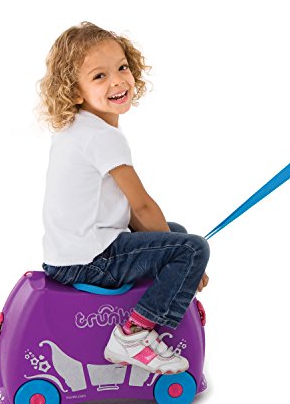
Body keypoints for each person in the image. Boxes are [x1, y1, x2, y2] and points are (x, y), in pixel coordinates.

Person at [37, 21, 210, 375]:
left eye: (122, 68)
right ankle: (133, 335)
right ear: (74, 91)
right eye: (99, 76)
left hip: (68, 255)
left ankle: (151, 311)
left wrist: (175, 252)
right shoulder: (103, 138)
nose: (117, 81)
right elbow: (140, 205)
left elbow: (124, 209)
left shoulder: (77, 128)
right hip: (91, 258)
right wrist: (189, 264)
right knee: (193, 249)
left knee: (177, 235)